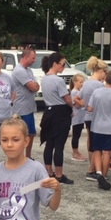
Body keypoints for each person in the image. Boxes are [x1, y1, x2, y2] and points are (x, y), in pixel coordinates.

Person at [39, 52, 74, 184]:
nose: (63, 67)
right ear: (55, 64)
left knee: (49, 144)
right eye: (62, 64)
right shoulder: (58, 80)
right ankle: (59, 174)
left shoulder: (44, 78)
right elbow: (66, 98)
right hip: (60, 112)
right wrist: (73, 106)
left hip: (49, 111)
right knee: (59, 145)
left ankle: (49, 172)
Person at [74, 56, 108, 181]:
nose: (105, 75)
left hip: (87, 116)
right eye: (105, 72)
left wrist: (85, 105)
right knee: (97, 144)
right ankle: (91, 170)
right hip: (96, 116)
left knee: (91, 141)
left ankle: (92, 165)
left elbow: (76, 98)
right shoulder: (99, 85)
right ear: (101, 71)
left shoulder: (87, 83)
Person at [11, 48, 40, 159]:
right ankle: (19, 157)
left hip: (29, 108)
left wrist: (34, 85)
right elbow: (33, 87)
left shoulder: (29, 71)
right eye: (33, 58)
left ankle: (27, 157)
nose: (34, 60)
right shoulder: (19, 71)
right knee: (21, 134)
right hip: (21, 109)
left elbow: (37, 86)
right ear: (26, 57)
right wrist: (33, 85)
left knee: (31, 133)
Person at [69, 73, 87, 162]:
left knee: (78, 134)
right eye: (80, 82)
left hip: (81, 117)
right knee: (76, 135)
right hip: (76, 117)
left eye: (83, 82)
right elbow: (77, 105)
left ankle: (77, 152)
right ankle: (75, 153)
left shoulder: (79, 92)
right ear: (75, 82)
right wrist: (83, 100)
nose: (82, 84)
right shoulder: (74, 92)